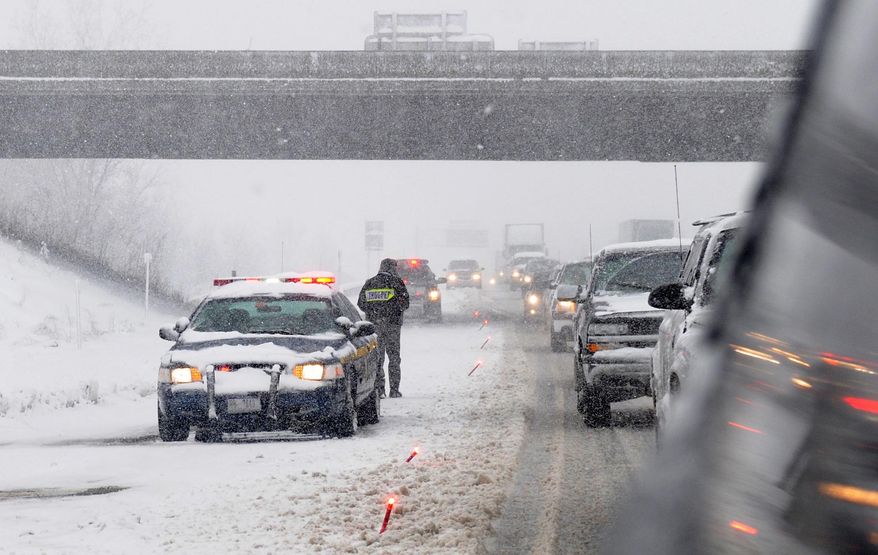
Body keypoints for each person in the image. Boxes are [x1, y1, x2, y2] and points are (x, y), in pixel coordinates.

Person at [358, 258, 410, 398]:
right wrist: (392, 311)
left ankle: (379, 390)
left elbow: (361, 303)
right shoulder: (397, 283)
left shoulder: (369, 283)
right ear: (393, 268)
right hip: (393, 326)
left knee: (377, 358)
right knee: (394, 357)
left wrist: (375, 311)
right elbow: (405, 303)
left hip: (374, 326)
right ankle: (394, 389)